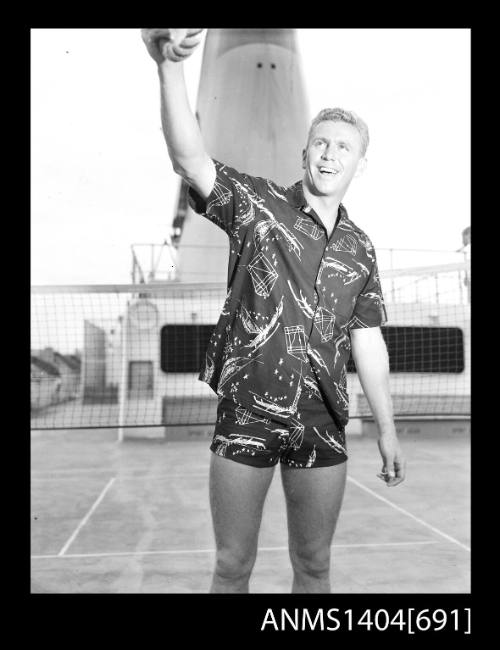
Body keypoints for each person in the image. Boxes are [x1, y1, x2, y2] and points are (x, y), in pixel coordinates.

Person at [141, 28, 406, 593]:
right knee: (232, 566)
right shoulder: (258, 206)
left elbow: (367, 341)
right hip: (248, 416)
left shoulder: (360, 247)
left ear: (361, 162)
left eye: (344, 147)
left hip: (323, 424)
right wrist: (168, 68)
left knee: (314, 566)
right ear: (304, 150)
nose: (331, 154)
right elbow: (189, 158)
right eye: (322, 143)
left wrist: (386, 429)